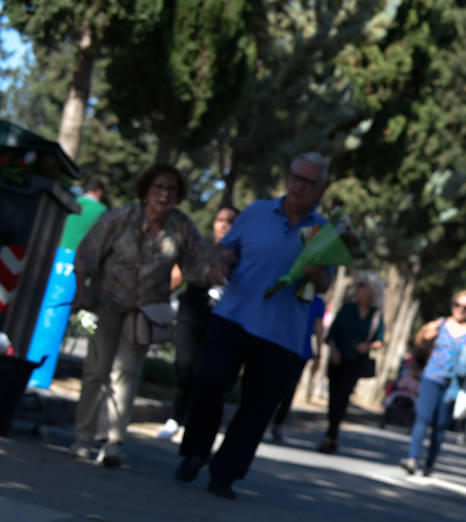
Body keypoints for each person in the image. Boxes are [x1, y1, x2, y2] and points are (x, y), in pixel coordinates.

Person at [175, 152, 334, 499]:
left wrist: (317, 273)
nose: (298, 186)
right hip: (234, 315)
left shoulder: (324, 231)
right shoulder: (256, 212)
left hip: (282, 334)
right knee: (207, 382)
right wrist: (220, 263)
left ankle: (224, 475)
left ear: (320, 188)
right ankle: (194, 452)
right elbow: (225, 249)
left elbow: (324, 287)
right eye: (294, 177)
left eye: (307, 181)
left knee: (257, 409)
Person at [70, 164, 209, 468]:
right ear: (147, 189)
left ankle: (114, 441)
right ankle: (83, 438)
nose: (164, 194)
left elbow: (199, 265)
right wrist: (82, 290)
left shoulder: (181, 227)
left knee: (127, 373)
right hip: (106, 303)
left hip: (144, 312)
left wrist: (210, 271)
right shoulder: (121, 217)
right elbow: (87, 254)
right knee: (96, 370)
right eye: (158, 187)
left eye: (171, 189)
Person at [160, 205, 239, 440]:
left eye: (231, 221)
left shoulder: (242, 254)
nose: (224, 225)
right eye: (220, 219)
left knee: (206, 373)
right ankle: (175, 417)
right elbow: (180, 272)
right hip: (192, 308)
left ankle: (193, 423)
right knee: (184, 365)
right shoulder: (201, 246)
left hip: (221, 318)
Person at [402, 289, 466, 475]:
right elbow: (419, 345)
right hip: (432, 376)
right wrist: (424, 333)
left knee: (439, 426)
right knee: (423, 419)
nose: (461, 310)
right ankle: (413, 459)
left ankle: (429, 464)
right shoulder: (440, 323)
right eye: (458, 305)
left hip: (453, 385)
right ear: (452, 304)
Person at [318, 272, 385, 454]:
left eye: (363, 285)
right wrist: (333, 350)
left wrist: (368, 346)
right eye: (358, 284)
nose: (358, 288)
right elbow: (331, 334)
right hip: (337, 358)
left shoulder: (376, 315)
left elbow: (380, 340)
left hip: (356, 362)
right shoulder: (347, 309)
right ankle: (332, 433)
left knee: (343, 396)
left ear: (372, 291)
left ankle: (330, 435)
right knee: (333, 396)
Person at [270, 293, 326, 443]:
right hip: (288, 347)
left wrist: (318, 355)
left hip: (293, 349)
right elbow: (319, 328)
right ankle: (276, 424)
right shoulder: (297, 294)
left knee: (283, 388)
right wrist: (318, 355)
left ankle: (277, 423)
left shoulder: (315, 300)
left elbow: (319, 328)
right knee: (286, 388)